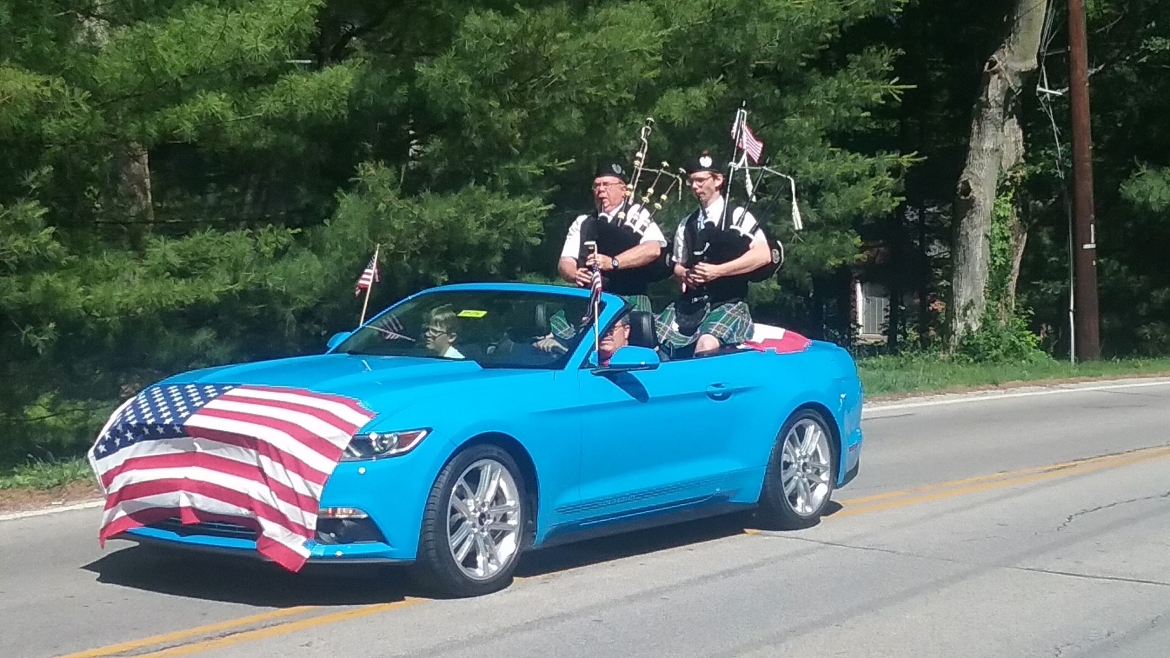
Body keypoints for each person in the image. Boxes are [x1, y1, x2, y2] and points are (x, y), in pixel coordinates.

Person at [655, 151, 774, 357]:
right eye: (692, 181)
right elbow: (678, 265)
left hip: (728, 303)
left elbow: (763, 255)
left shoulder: (738, 215)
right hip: (692, 306)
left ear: (718, 180)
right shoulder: (687, 223)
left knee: (706, 344)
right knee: (653, 341)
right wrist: (685, 275)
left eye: (701, 180)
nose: (695, 186)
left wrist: (718, 271)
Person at [557, 162, 670, 315]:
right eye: (596, 186)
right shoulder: (583, 222)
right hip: (591, 299)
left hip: (630, 298)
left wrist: (613, 262)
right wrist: (575, 274)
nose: (601, 190)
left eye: (607, 184)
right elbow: (566, 261)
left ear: (624, 190)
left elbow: (653, 249)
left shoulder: (637, 214)